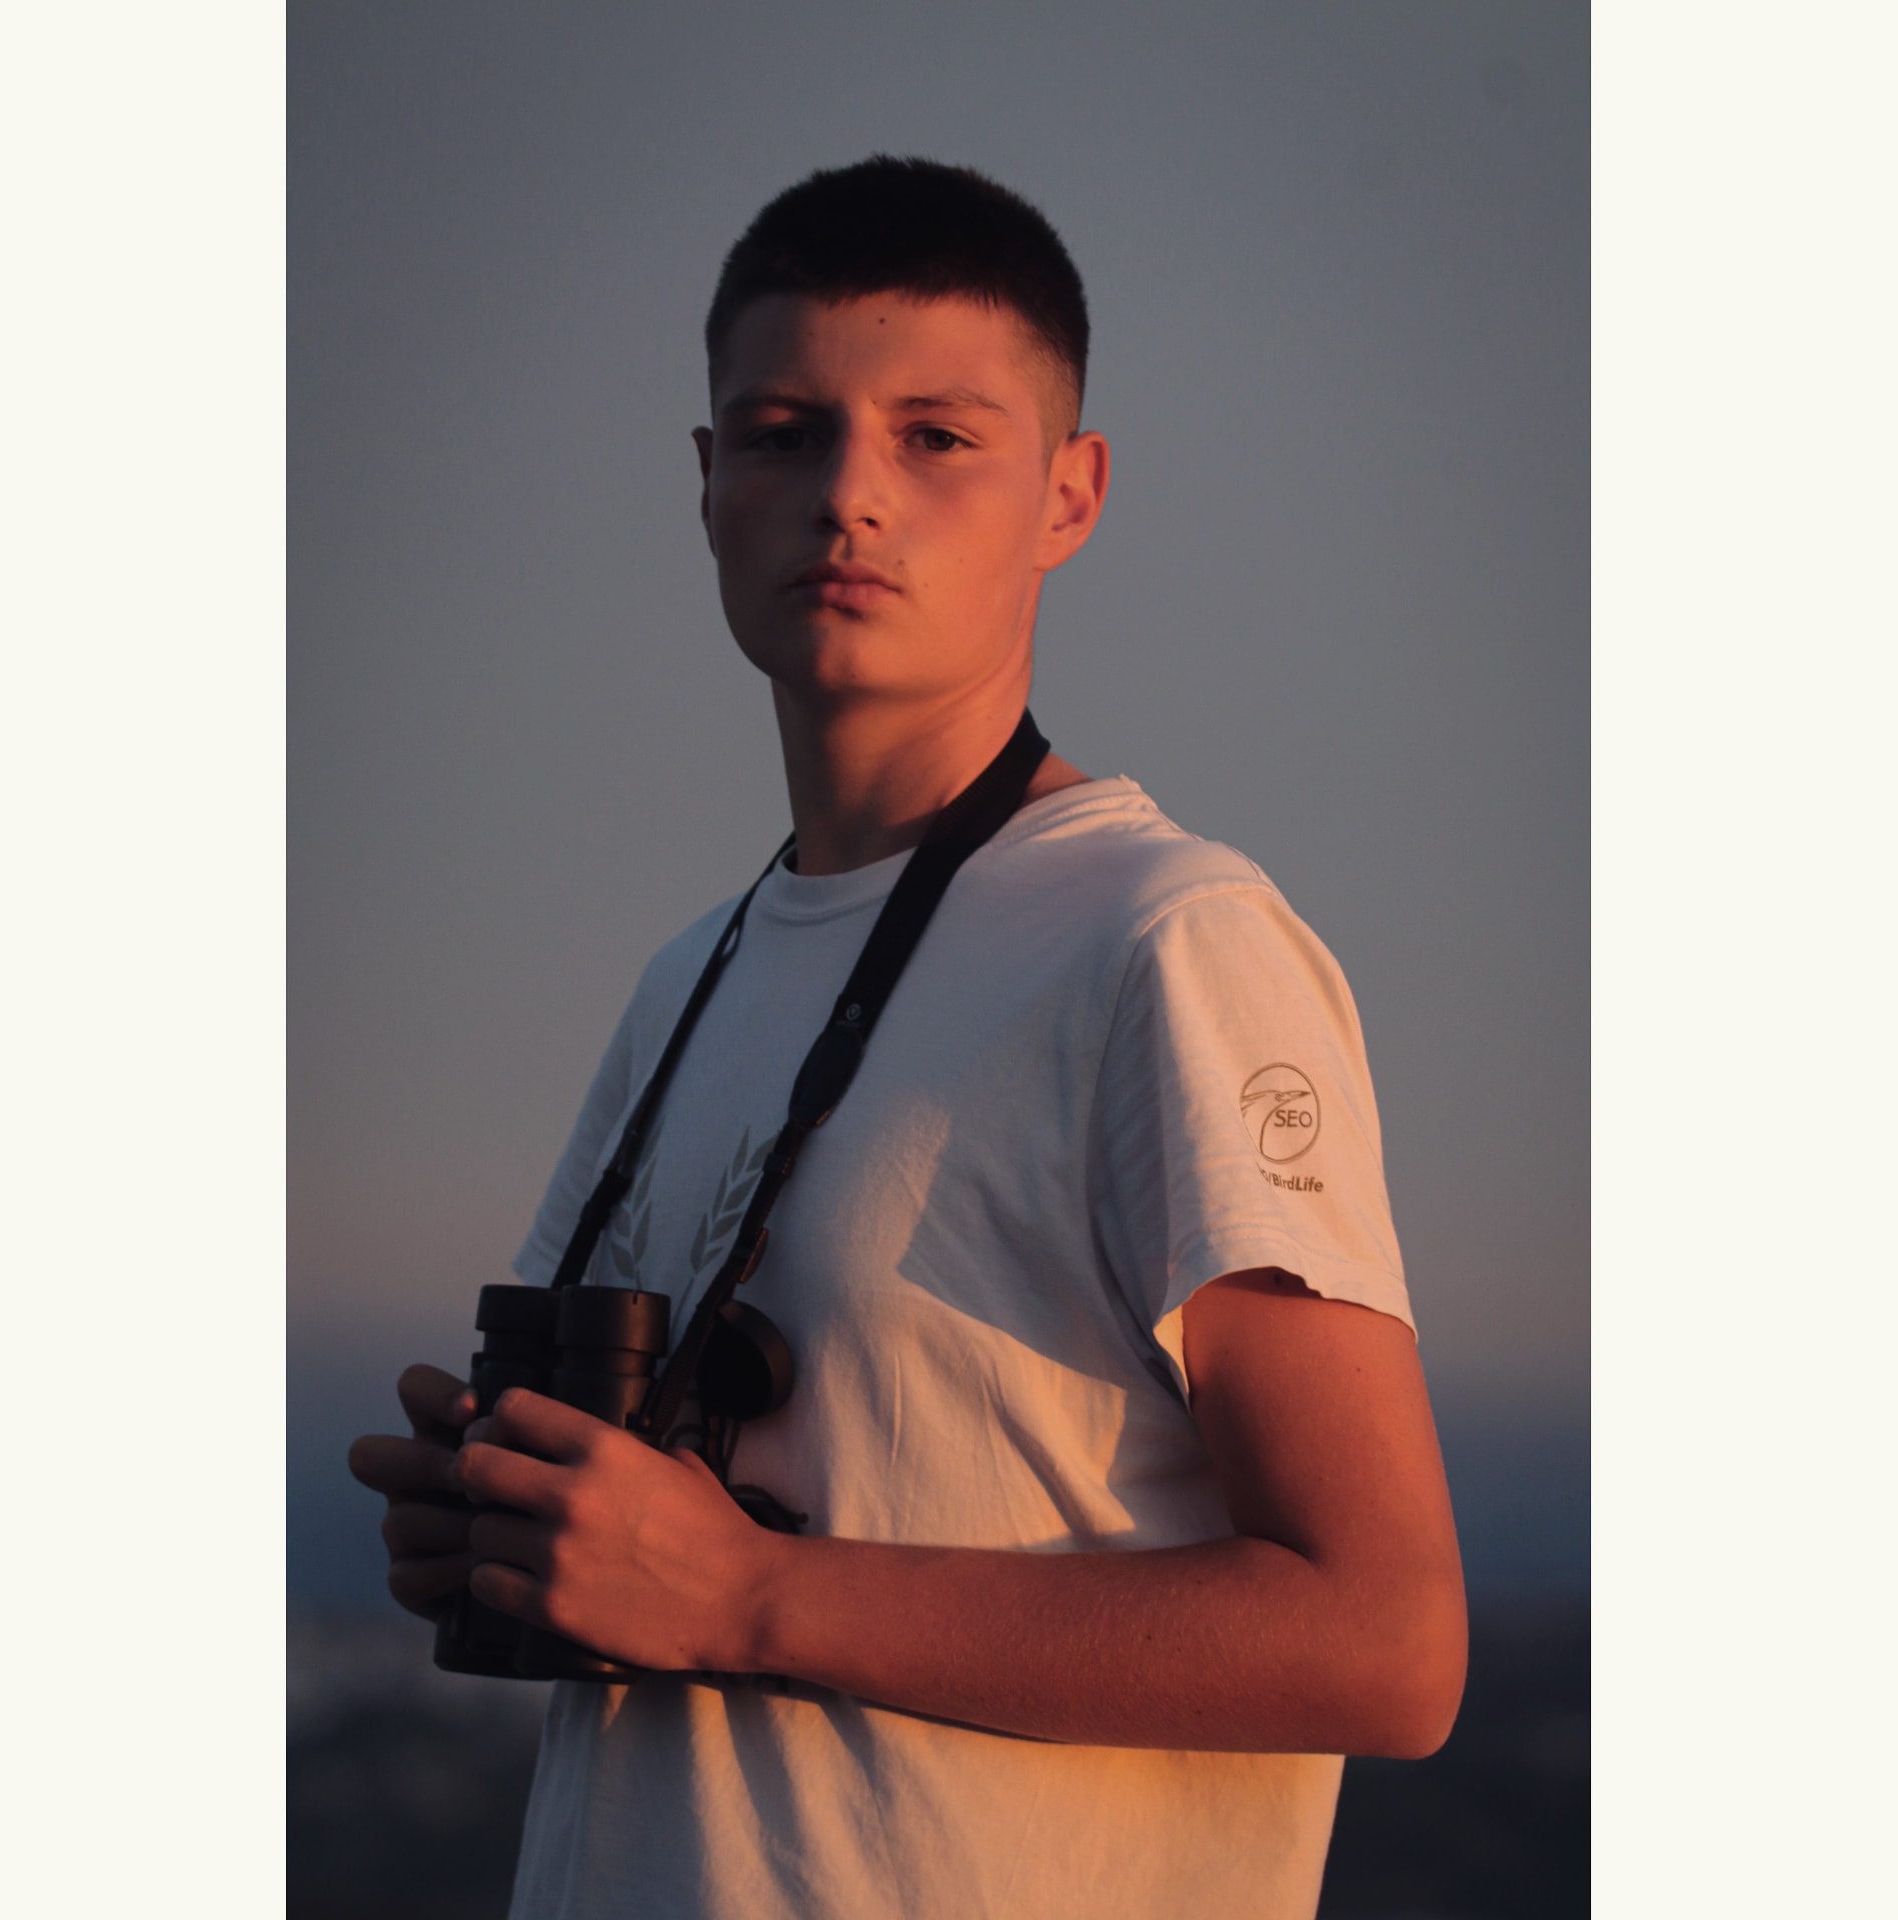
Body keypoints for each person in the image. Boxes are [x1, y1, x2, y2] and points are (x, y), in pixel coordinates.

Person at [350, 154, 1467, 1919]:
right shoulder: (694, 973)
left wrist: (749, 1596)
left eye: (937, 437)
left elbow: (1387, 1642)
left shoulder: (1166, 938)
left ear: (1070, 495)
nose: (850, 496)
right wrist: (511, 1526)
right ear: (708, 486)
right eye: (784, 434)